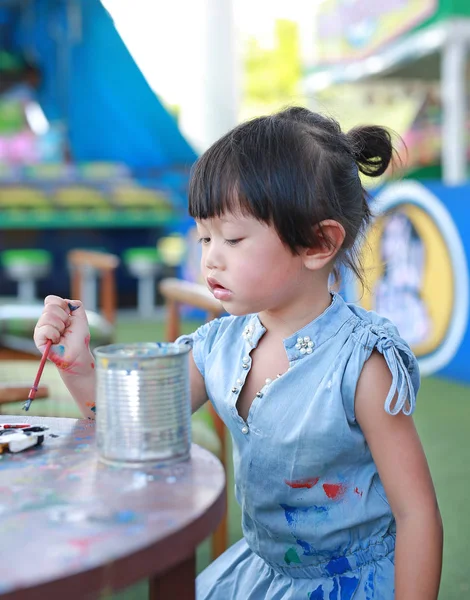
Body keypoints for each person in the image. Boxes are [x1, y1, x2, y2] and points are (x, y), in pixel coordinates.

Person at [34, 107, 443, 599]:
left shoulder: (362, 363)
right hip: (258, 575)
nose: (210, 257)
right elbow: (131, 429)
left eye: (232, 238)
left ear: (319, 242)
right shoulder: (218, 345)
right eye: (204, 236)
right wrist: (78, 364)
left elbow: (416, 513)